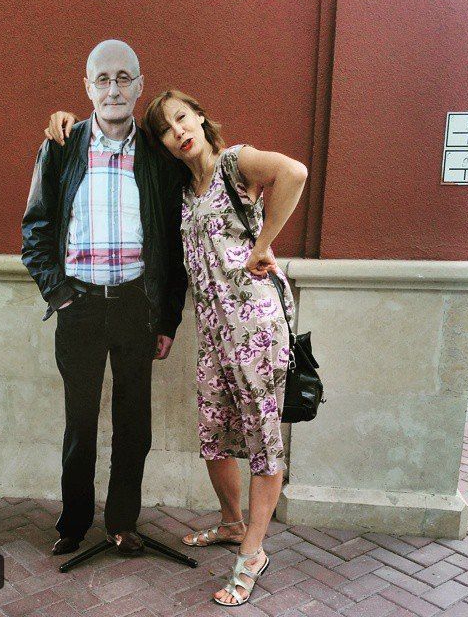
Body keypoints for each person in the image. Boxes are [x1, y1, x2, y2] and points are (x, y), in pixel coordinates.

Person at [46, 90, 306, 605]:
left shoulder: (235, 163)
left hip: (254, 326)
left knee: (262, 440)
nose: (178, 132)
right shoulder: (184, 189)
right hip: (213, 330)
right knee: (215, 435)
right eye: (166, 129)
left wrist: (262, 246)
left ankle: (252, 553)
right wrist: (68, 119)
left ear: (202, 118)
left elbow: (294, 173)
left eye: (183, 119)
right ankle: (232, 523)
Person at [21, 41, 187, 557]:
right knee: (80, 423)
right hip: (81, 305)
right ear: (87, 87)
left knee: (134, 424)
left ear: (139, 86)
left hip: (137, 305)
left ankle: (122, 523)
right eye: (102, 79)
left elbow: (173, 244)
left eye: (123, 78)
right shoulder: (61, 147)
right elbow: (35, 231)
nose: (113, 89)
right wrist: (61, 296)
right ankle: (73, 523)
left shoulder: (157, 156)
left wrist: (167, 320)